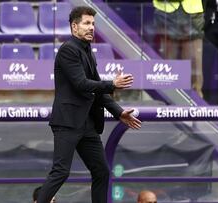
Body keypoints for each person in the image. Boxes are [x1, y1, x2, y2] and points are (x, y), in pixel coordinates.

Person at [36, 6, 142, 203]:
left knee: (101, 171)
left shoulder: (88, 52)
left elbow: (97, 91)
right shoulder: (68, 50)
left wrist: (118, 113)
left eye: (93, 24)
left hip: (87, 125)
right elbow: (82, 84)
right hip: (68, 122)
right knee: (61, 172)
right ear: (74, 27)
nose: (91, 28)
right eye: (86, 23)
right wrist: (112, 84)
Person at [153, 0, 205, 97]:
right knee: (168, 65)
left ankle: (197, 103)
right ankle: (169, 100)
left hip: (192, 13)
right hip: (165, 11)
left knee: (194, 63)